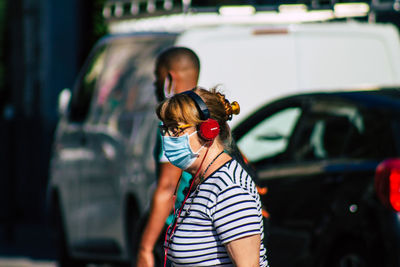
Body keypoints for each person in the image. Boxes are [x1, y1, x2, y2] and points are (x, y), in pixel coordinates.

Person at [157, 87, 269, 266]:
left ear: (208, 130)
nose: (168, 137)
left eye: (175, 129)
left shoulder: (230, 190)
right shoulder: (201, 182)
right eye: (165, 129)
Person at [136, 46, 200, 267]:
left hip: (182, 229)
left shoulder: (174, 121)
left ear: (170, 78)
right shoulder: (210, 113)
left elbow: (167, 187)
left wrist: (145, 248)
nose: (155, 85)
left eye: (157, 77)